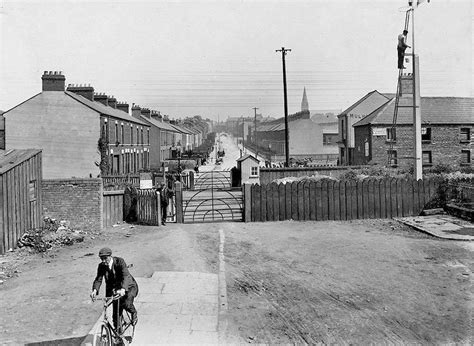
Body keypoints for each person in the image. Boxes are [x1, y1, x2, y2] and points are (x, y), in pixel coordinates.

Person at [90, 247, 138, 328]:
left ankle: (134, 313)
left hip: (129, 286)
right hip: (115, 289)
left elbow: (125, 276)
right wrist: (95, 290)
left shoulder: (120, 262)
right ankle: (118, 336)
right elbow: (98, 279)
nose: (103, 261)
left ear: (110, 256)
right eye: (101, 259)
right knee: (116, 315)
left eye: (105, 258)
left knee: (127, 304)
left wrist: (123, 289)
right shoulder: (101, 266)